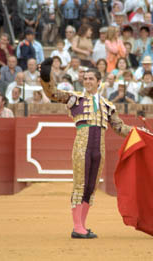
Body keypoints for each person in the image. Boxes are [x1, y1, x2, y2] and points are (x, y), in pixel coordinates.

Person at [40, 58, 132, 239]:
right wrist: (45, 76)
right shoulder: (75, 98)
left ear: (99, 82)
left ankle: (81, 226)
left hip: (99, 149)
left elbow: (120, 128)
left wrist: (139, 132)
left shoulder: (108, 105)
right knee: (80, 185)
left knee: (91, 187)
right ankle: (77, 227)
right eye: (85, 78)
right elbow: (53, 93)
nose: (87, 81)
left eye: (91, 78)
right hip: (82, 146)